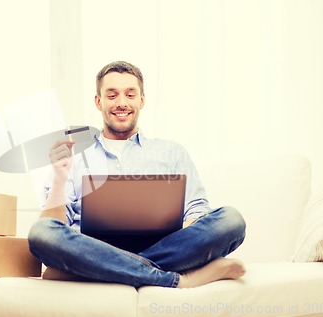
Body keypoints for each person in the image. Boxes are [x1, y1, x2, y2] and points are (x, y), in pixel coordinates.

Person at [28, 61, 246, 288]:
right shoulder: (75, 158)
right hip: (92, 248)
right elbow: (53, 226)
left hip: (162, 248)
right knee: (41, 233)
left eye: (130, 95)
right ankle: (175, 279)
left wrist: (176, 235)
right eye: (112, 96)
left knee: (231, 220)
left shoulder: (172, 152)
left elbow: (197, 209)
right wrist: (59, 176)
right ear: (98, 101)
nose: (121, 103)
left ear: (142, 100)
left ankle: (95, 270)